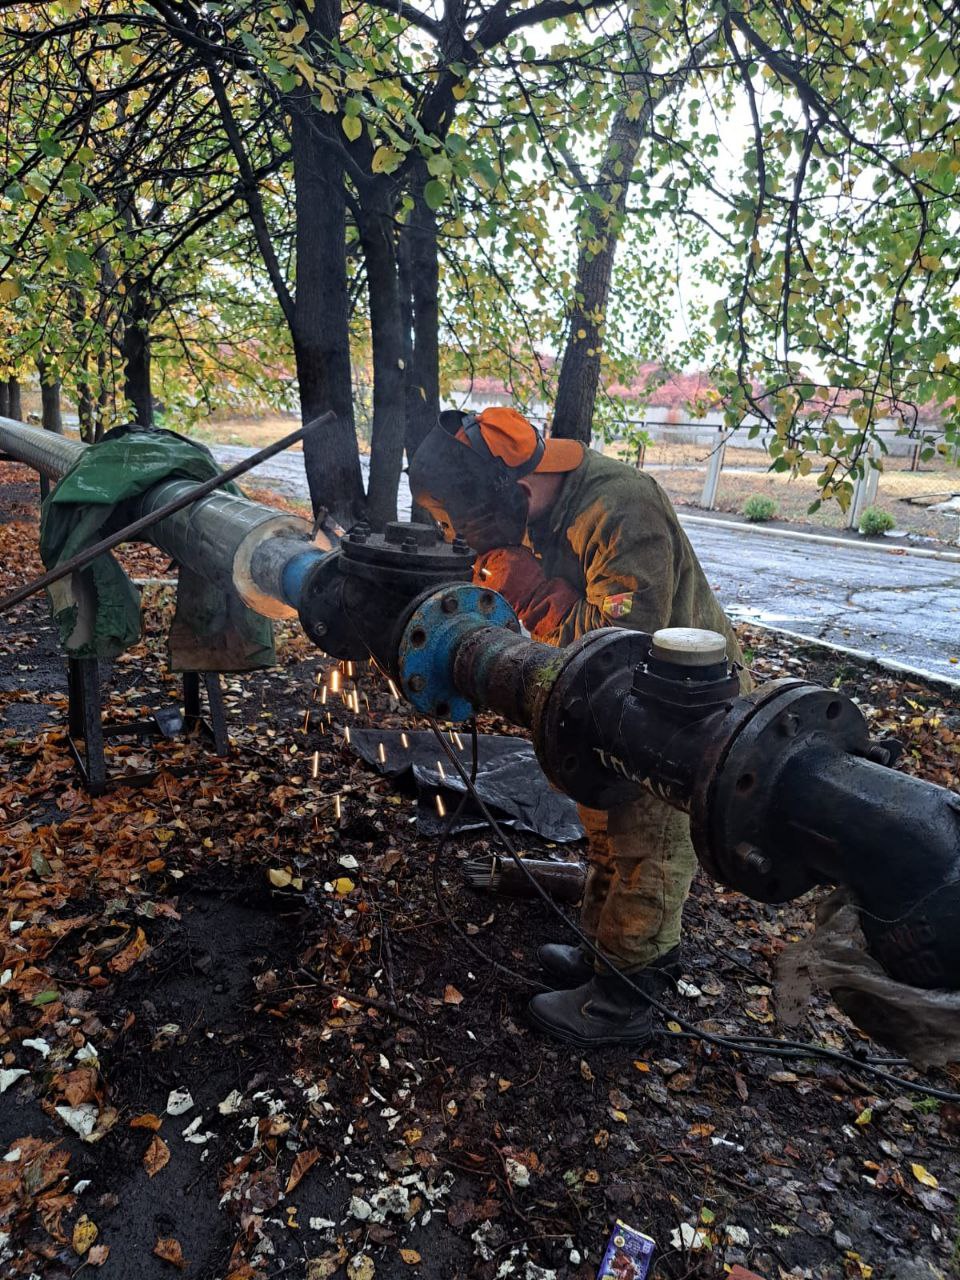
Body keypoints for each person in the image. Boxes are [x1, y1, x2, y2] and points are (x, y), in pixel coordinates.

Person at [408, 406, 751, 1048]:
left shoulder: (619, 508)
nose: (460, 536)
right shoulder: (541, 511)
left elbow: (624, 648)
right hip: (613, 707)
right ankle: (602, 953)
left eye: (462, 521)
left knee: (646, 843)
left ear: (512, 492)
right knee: (604, 826)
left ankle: (626, 999)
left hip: (681, 714)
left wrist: (534, 594)